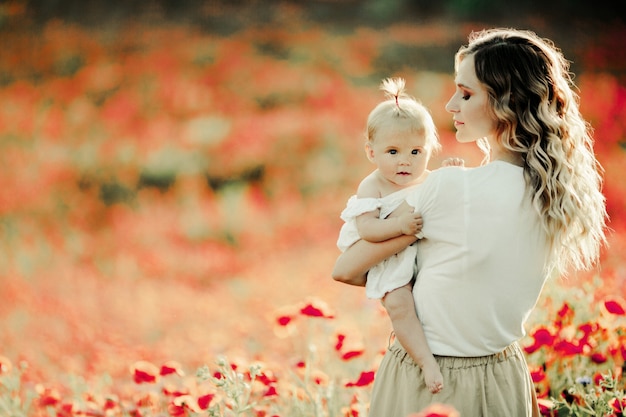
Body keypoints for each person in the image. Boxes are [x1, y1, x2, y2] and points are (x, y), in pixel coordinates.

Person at [332, 28, 607, 417]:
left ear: (505, 102)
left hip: (435, 382)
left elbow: (346, 269)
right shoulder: (557, 194)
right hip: (506, 376)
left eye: (465, 93)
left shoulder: (451, 188)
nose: (449, 105)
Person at [337, 77, 462, 394]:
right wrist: (400, 227)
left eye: (416, 151)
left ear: (430, 150)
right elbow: (367, 230)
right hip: (385, 258)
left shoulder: (428, 178)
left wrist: (452, 174)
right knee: (399, 306)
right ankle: (426, 361)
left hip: (420, 257)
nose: (405, 160)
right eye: (392, 151)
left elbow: (447, 198)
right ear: (371, 152)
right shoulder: (373, 185)